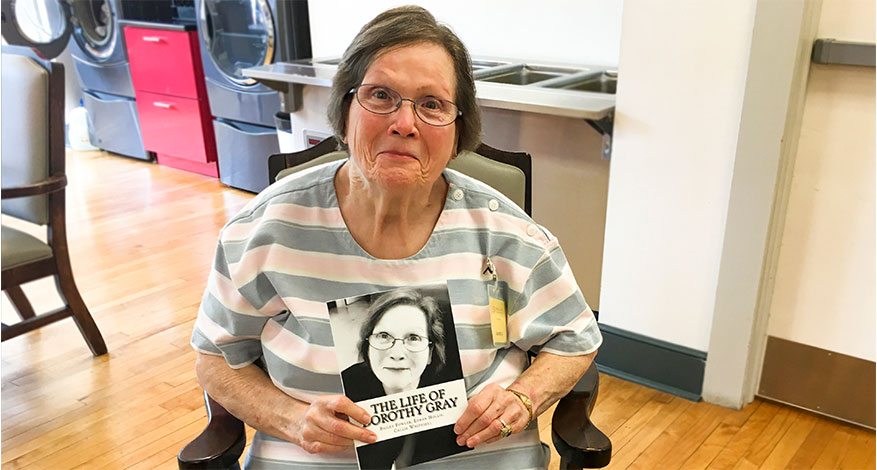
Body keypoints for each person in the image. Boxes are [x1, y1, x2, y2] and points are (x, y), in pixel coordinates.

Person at [191, 5, 602, 469]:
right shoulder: (265, 229)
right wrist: (293, 419)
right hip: (320, 457)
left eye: (432, 104)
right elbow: (216, 355)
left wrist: (523, 400)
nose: (405, 123)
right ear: (344, 112)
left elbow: (574, 339)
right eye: (381, 95)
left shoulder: (505, 233)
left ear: (457, 131)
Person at [340, 288, 465, 469]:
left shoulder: (455, 400)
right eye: (384, 336)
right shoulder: (346, 387)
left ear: (430, 352)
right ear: (368, 345)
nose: (397, 354)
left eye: (413, 338)